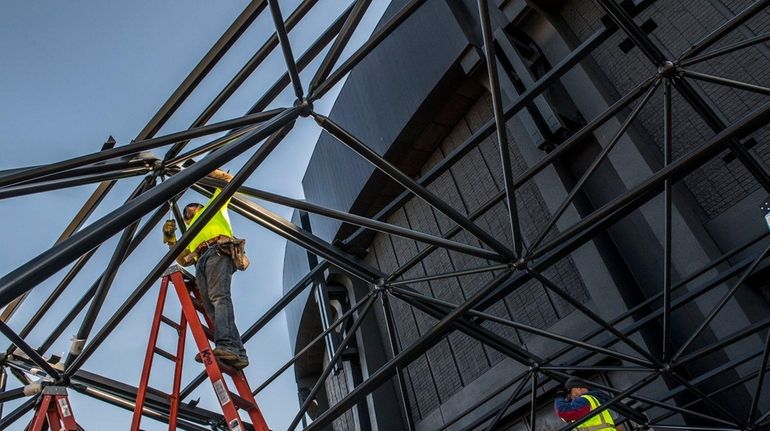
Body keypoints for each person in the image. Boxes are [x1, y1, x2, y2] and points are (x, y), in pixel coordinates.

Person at [162, 168, 249, 369]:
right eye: (186, 213)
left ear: (201, 206)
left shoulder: (215, 207)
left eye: (192, 207)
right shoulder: (190, 232)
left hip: (218, 250)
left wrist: (211, 170)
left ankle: (226, 346)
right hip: (201, 260)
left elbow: (229, 181)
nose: (189, 210)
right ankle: (237, 352)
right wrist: (171, 239)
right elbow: (183, 260)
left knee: (219, 298)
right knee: (211, 305)